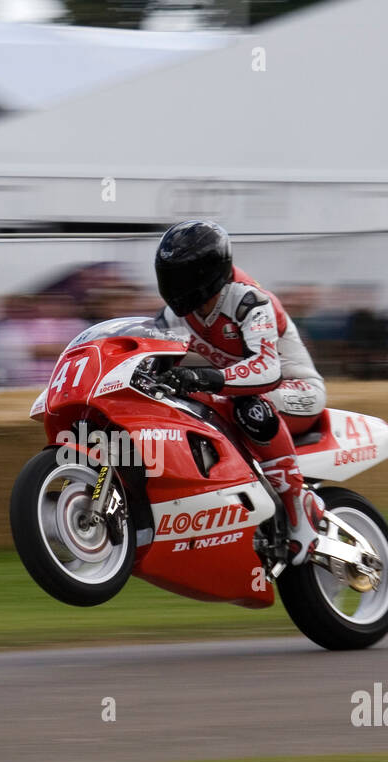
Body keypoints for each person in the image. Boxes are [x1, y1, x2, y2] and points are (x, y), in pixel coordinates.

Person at [151, 220, 329, 565]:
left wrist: (204, 378)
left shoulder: (248, 300)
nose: (174, 286)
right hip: (240, 389)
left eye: (182, 275)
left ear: (206, 273)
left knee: (250, 407)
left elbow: (266, 370)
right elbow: (154, 357)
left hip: (296, 390)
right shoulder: (175, 314)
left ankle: (299, 509)